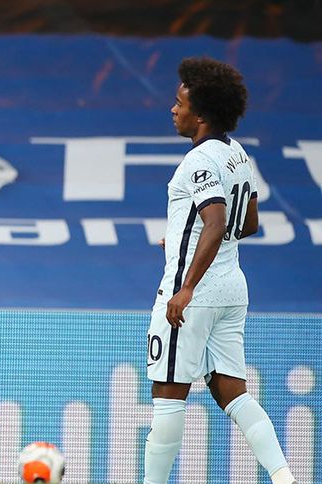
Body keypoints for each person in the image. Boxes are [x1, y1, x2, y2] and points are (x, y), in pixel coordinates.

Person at [144, 57, 296, 484]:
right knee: (234, 393)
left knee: (168, 394)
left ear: (201, 116)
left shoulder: (199, 161)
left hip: (194, 296)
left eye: (180, 104)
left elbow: (215, 222)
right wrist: (182, 240)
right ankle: (284, 477)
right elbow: (247, 222)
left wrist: (187, 286)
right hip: (232, 290)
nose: (173, 109)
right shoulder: (237, 154)